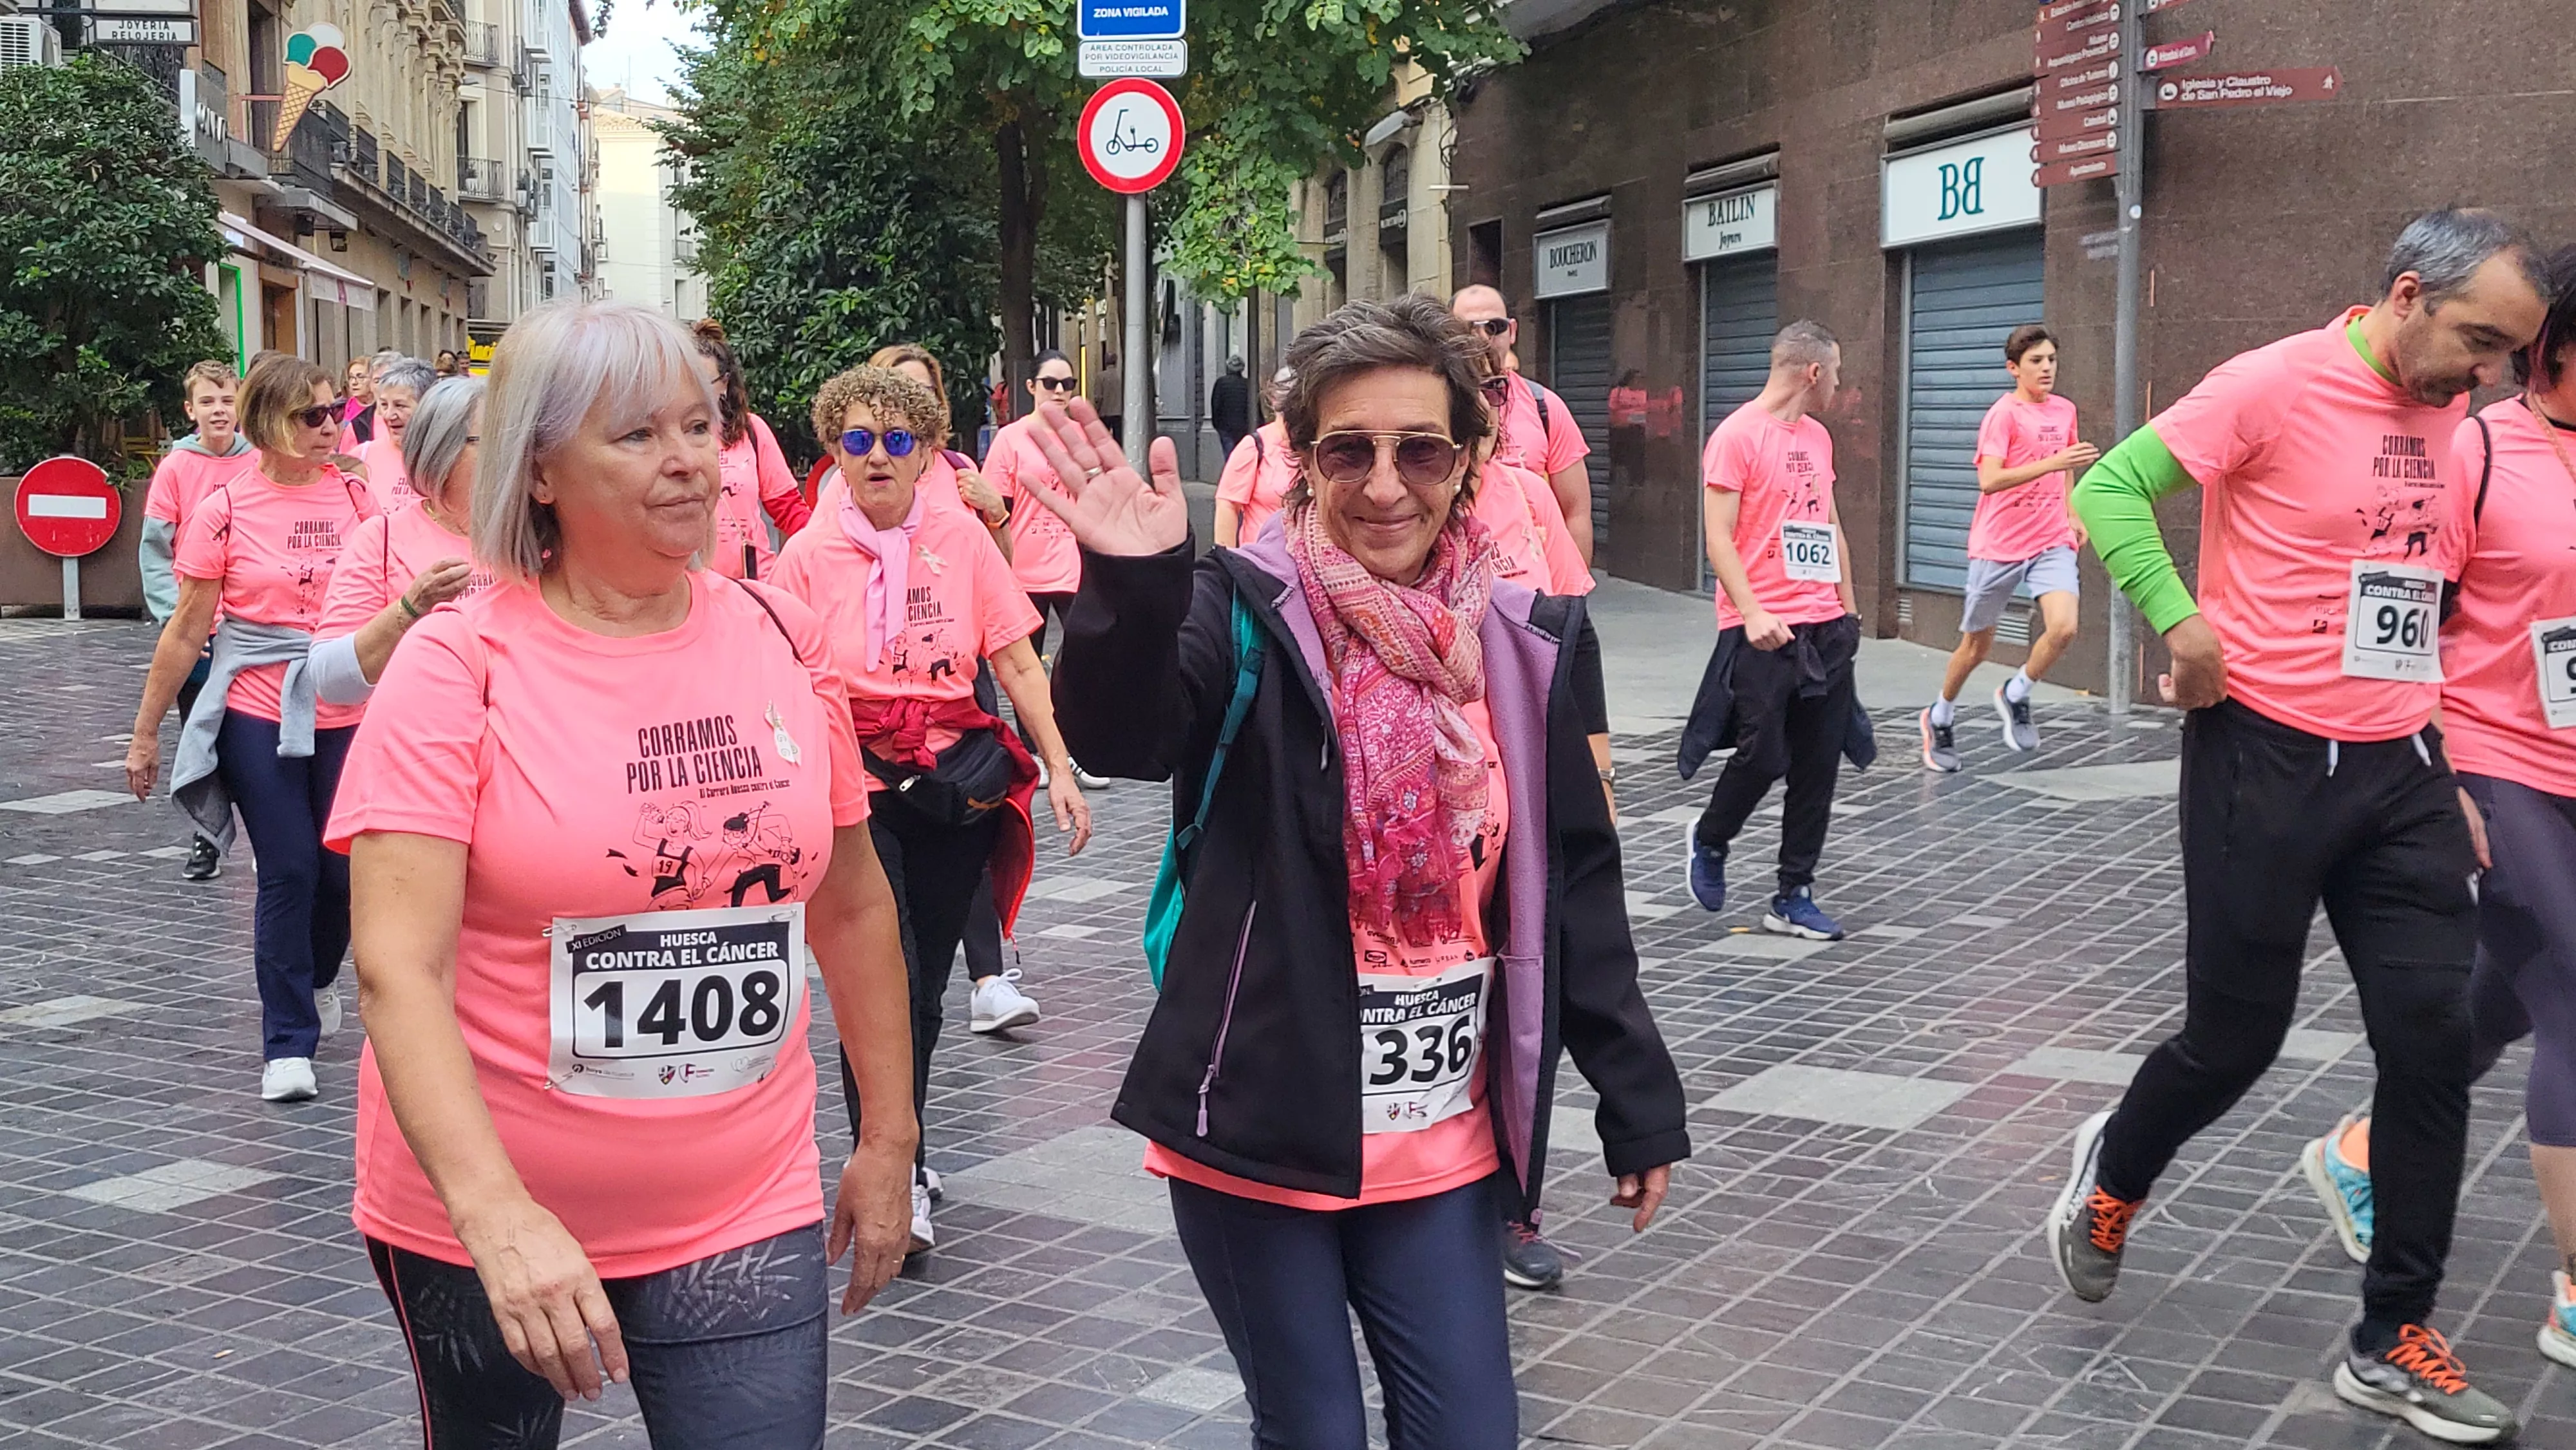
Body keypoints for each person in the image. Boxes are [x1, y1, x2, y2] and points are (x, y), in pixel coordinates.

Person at [1028, 294, 1688, 1447]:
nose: (1386, 486)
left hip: (1439, 1137)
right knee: (1316, 1431)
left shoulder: (1523, 638)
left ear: (1468, 459)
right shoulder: (1244, 608)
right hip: (1260, 1127)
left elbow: (1574, 878)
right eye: (1349, 452)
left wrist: (1637, 1097)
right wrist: (1131, 589)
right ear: (1303, 459)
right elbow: (1130, 736)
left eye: (1420, 450)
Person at [321, 300, 916, 1442]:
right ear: (541, 470)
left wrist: (890, 1140)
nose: (687, 459)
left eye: (699, 425)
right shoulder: (457, 664)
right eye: (638, 434)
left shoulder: (780, 633)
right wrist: (496, 1215)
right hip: (486, 1212)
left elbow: (850, 906)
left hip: (743, 1198)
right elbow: (399, 967)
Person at [2050, 209, 2549, 1445]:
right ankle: (2116, 1172)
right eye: (2478, 340)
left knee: (2431, 1040)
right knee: (2235, 1040)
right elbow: (2110, 488)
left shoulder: (2458, 425)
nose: (2487, 372)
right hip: (2261, 760)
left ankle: (2393, 1336)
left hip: (2404, 769)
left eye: (2509, 353)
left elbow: (2446, 598)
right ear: (2407, 294)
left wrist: (2456, 760)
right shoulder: (2271, 384)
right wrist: (2180, 622)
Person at [2295, 245, 2576, 1369]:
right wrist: (2432, 766)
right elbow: (2402, 611)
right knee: (2572, 998)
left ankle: (2364, 1147)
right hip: (2493, 759)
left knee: (2505, 996)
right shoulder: (2475, 452)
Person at [772, 364, 1092, 1257]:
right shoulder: (805, 558)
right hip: (856, 788)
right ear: (834, 451)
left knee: (925, 990)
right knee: (882, 977)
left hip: (955, 786)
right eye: (857, 440)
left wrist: (1059, 765)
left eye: (897, 440)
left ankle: (902, 1145)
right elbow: (778, 682)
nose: (877, 456)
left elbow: (1017, 659)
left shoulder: (963, 540)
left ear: (927, 455)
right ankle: (895, 1170)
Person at [124, 354, 380, 1103]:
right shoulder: (225, 508)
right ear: (269, 421)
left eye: (335, 411)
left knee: (343, 871)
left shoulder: (359, 501)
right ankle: (287, 1042)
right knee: (290, 866)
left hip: (348, 706)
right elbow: (186, 629)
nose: (331, 426)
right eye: (312, 414)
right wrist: (146, 733)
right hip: (256, 707)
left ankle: (317, 975)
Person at [865, 343, 1034, 1051]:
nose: (905, 412)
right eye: (892, 395)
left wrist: (997, 518)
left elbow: (1002, 585)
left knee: (969, 814)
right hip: (883, 703)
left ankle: (988, 977)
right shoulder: (857, 475)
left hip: (959, 673)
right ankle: (906, 976)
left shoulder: (962, 473)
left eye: (921, 397)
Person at [1681, 321, 1861, 943]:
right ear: (1813, 372)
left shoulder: (1818, 437)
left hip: (1824, 624)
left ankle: (1794, 894)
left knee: (1818, 765)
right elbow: (1718, 536)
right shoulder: (1736, 437)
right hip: (1763, 625)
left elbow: (1830, 526)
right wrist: (1752, 612)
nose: (1838, 385)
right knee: (1764, 754)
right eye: (1835, 373)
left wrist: (1848, 611)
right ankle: (1711, 838)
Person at [1921, 325, 2099, 771]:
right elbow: (1990, 480)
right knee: (1976, 647)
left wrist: (2073, 513)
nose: (2047, 368)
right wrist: (2055, 461)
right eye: (2036, 361)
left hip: (2051, 538)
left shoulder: (2064, 410)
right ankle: (1940, 715)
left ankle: (2017, 692)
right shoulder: (2003, 415)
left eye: (2052, 360)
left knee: (2064, 628)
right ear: (2013, 369)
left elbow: (2066, 469)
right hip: (2000, 544)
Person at [140, 360, 261, 883]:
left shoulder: (257, 461)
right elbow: (155, 549)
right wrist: (176, 616)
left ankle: (262, 830)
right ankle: (206, 836)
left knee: (251, 734)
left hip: (247, 627)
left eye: (227, 400)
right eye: (208, 401)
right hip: (197, 631)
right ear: (190, 410)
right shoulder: (176, 468)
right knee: (201, 733)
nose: (219, 411)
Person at [310, 377, 491, 706]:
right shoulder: (382, 539)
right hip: (419, 732)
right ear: (443, 449)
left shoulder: (537, 538)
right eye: (490, 439)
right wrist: (410, 608)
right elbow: (332, 682)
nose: (511, 453)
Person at [1451, 284, 1595, 565]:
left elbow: (1576, 513)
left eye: (1494, 327)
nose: (1482, 338)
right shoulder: (1432, 405)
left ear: (1513, 331)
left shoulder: (1546, 406)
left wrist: (1572, 589)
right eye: (1467, 329)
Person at [688, 319, 812, 579]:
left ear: (725, 383)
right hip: (692, 584)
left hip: (754, 581)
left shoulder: (752, 430)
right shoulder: (670, 438)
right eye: (688, 382)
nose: (696, 393)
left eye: (705, 383)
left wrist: (825, 545)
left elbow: (787, 508)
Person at [1213, 367, 1296, 548]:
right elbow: (1228, 504)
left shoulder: (1314, 448)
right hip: (1260, 557)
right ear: (1274, 401)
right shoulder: (1255, 447)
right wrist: (1228, 558)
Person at [354, 357, 435, 511]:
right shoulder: (361, 457)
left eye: (400, 405)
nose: (389, 415)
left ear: (427, 406)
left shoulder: (448, 459)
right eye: (384, 405)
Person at [1209, 353, 1252, 462]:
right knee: (1242, 454)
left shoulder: (1221, 383)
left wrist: (1217, 424)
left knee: (1229, 455)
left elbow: (1216, 405)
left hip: (1226, 427)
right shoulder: (1248, 384)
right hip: (1244, 427)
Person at [339, 356, 377, 447]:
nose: (354, 382)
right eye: (351, 377)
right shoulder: (340, 408)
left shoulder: (380, 409)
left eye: (360, 377)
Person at [1093, 348, 1124, 443]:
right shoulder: (1121, 376)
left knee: (1103, 439)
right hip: (1118, 413)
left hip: (1104, 413)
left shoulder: (1101, 376)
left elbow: (1098, 397)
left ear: (1105, 361)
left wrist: (1096, 410)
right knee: (1118, 439)